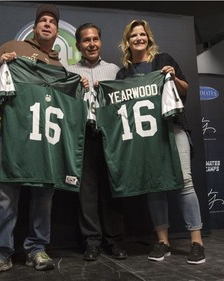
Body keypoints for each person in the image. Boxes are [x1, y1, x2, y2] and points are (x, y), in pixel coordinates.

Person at [0, 4, 61, 278]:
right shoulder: (14, 46)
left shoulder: (58, 65)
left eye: (52, 21)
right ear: (35, 27)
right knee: (5, 193)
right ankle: (1, 252)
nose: (47, 24)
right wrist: (2, 62)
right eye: (42, 21)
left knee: (43, 194)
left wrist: (79, 86)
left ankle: (36, 248)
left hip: (45, 138)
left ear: (57, 31)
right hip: (14, 133)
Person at [116, 19, 205, 265]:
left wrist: (173, 77)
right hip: (146, 136)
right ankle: (163, 241)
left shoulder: (163, 59)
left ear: (148, 38)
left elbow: (185, 89)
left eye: (142, 34)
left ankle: (196, 242)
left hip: (173, 128)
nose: (138, 38)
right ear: (127, 41)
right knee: (155, 186)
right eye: (133, 35)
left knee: (185, 182)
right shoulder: (124, 73)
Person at [67, 23, 127, 261]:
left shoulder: (115, 70)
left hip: (111, 137)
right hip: (84, 137)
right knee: (86, 192)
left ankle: (115, 241)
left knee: (113, 190)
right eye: (86, 40)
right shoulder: (68, 70)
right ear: (78, 45)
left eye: (95, 39)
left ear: (100, 42)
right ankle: (91, 242)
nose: (91, 44)